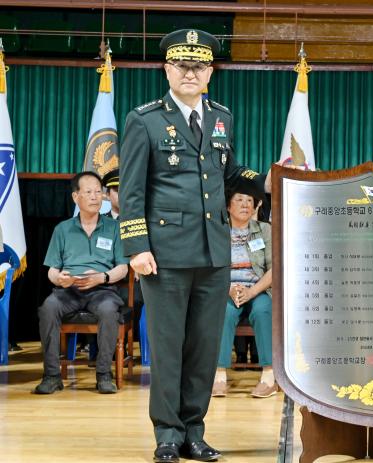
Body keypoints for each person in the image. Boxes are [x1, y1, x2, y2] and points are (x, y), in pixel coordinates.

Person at [119, 29, 269, 463]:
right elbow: (131, 193)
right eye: (182, 65)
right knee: (168, 348)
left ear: (210, 72)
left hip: (214, 252)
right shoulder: (144, 119)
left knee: (204, 349)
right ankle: (167, 434)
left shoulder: (221, 117)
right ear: (167, 69)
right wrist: (137, 248)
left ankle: (194, 432)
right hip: (163, 254)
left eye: (199, 66)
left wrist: (270, 178)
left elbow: (228, 173)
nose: (190, 73)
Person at [34, 171, 129, 395]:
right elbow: (52, 270)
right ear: (76, 197)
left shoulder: (114, 228)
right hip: (68, 291)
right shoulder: (62, 229)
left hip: (103, 290)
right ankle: (51, 376)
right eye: (88, 192)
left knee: (109, 311)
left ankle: (104, 375)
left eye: (98, 192)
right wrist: (60, 279)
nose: (95, 197)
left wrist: (102, 277)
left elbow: (123, 268)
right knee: (48, 308)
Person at [212, 185, 274, 398]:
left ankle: (269, 376)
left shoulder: (265, 229)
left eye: (249, 200)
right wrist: (228, 288)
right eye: (239, 200)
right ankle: (219, 375)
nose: (245, 205)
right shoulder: (218, 230)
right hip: (227, 289)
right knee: (224, 313)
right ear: (228, 205)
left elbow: (275, 269)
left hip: (259, 289)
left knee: (263, 311)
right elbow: (211, 268)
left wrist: (252, 291)